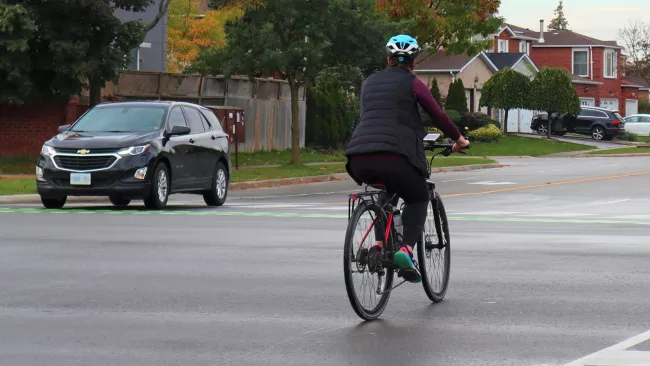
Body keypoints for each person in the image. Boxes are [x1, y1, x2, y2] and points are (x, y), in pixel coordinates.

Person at [344, 34, 470, 283]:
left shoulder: (368, 82)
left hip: (358, 156)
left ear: (388, 59)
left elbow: (374, 116)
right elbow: (437, 115)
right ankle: (406, 250)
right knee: (419, 195)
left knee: (386, 193)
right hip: (395, 154)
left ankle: (379, 244)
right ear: (414, 61)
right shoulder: (412, 82)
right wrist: (459, 139)